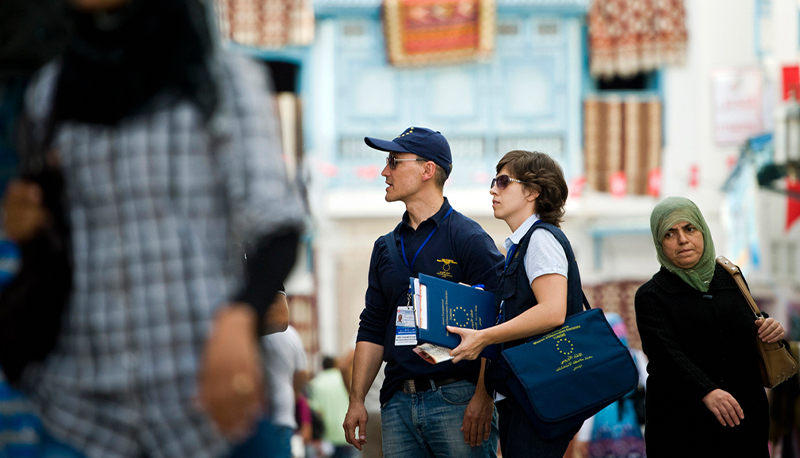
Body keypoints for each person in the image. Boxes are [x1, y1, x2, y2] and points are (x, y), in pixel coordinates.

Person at [1, 0, 305, 456]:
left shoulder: (221, 81)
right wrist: (32, 225)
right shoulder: (53, 91)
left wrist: (240, 316)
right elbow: (60, 245)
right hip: (81, 410)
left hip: (206, 403)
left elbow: (277, 224)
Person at [342, 127, 503, 458]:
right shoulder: (385, 247)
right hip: (397, 402)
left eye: (394, 162)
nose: (384, 171)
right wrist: (357, 400)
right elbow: (372, 326)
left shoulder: (468, 238)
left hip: (456, 399)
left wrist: (484, 396)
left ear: (428, 170)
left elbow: (498, 320)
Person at [447, 150, 584, 457]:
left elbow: (552, 311)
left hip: (542, 391)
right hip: (529, 392)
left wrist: (485, 336)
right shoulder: (524, 244)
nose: (493, 189)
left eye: (504, 181)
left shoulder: (541, 239)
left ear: (533, 191)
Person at [634, 196, 786, 457]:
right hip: (682, 428)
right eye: (670, 233)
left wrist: (770, 329)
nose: (682, 239)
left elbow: (746, 330)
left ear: (703, 231)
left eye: (689, 229)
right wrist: (707, 390)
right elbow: (667, 356)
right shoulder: (652, 295)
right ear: (659, 242)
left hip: (743, 423)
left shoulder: (731, 278)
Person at [575, 313, 648, 458]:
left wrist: (583, 437)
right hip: (630, 421)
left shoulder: (594, 364)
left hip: (601, 423)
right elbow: (651, 388)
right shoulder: (635, 356)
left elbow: (590, 404)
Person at [259, 309, 309, 458]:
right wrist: (293, 395)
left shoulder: (250, 328)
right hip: (283, 414)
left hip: (253, 417)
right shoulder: (290, 334)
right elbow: (301, 373)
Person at [309, 356, 354, 458]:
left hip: (328, 437)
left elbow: (316, 412)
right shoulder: (346, 379)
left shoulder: (316, 383)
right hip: (349, 434)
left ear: (322, 366)